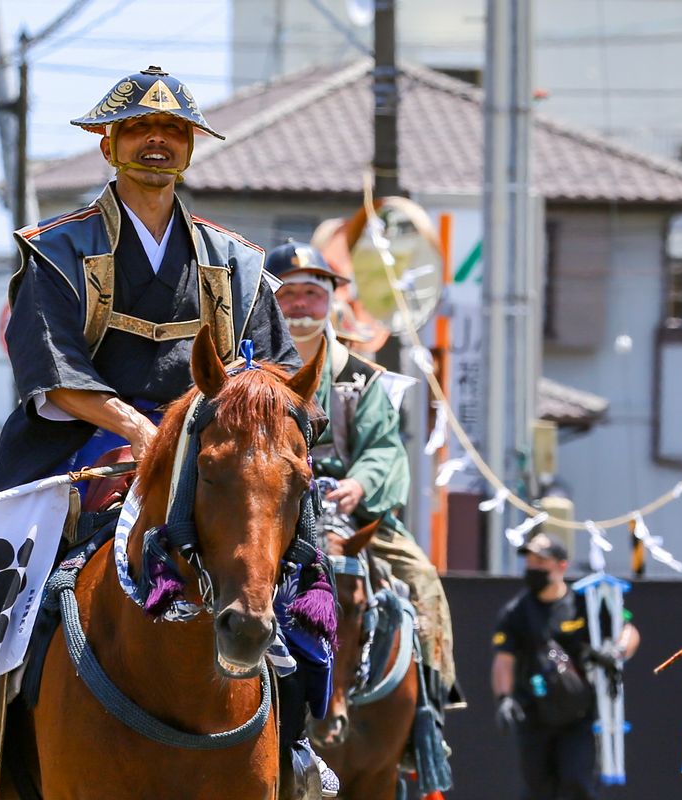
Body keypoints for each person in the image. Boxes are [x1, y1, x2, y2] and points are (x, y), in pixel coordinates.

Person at [0, 65, 327, 792]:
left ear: (190, 148)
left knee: (303, 578)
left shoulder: (239, 264)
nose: (156, 142)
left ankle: (304, 743)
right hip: (79, 447)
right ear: (108, 145)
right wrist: (138, 428)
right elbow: (52, 366)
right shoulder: (56, 248)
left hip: (211, 445)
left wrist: (211, 431)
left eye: (173, 132)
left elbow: (275, 374)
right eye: (138, 129)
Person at [269, 240, 460, 709]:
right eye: (286, 293)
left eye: (311, 292)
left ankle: (428, 710)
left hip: (344, 510)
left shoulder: (364, 378)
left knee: (421, 580)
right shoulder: (252, 372)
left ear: (331, 299)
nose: (299, 304)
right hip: (268, 506)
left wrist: (360, 484)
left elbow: (383, 448)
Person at [491, 534, 640, 800]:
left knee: (577, 783)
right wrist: (504, 698)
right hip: (533, 714)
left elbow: (627, 629)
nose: (533, 568)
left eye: (541, 561)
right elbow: (504, 660)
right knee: (537, 789)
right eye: (530, 562)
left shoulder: (584, 604)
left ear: (561, 566)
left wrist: (616, 651)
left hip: (578, 716)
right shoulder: (516, 612)